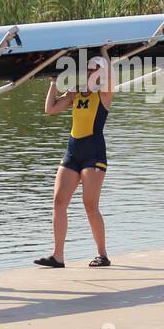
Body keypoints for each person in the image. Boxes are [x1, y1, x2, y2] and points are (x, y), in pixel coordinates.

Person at [35, 47, 114, 268]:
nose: (92, 73)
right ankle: (58, 256)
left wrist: (105, 53)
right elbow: (50, 109)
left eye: (96, 70)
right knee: (59, 202)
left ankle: (102, 254)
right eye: (89, 70)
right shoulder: (75, 93)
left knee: (90, 204)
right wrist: (53, 83)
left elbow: (110, 78)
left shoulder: (104, 94)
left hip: (94, 152)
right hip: (72, 151)